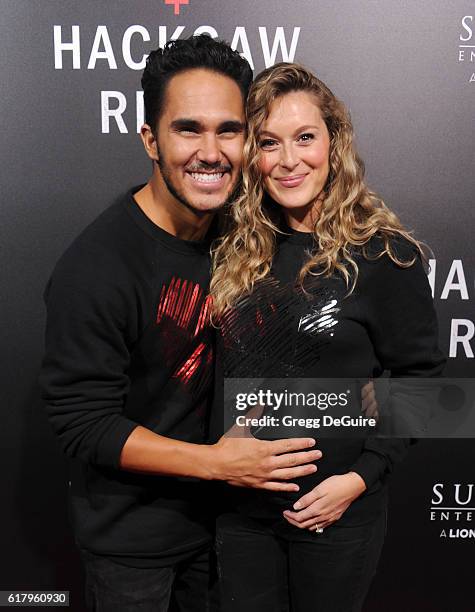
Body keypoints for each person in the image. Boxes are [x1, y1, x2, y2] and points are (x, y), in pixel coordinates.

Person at [40, 39, 322, 612]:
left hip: (232, 531)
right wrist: (218, 464)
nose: (211, 152)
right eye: (188, 129)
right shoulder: (98, 266)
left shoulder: (242, 240)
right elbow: (82, 423)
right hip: (134, 548)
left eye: (230, 130)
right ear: (151, 139)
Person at [210, 63, 446, 612]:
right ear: (252, 156)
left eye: (305, 137)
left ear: (334, 144)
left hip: (337, 516)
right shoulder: (232, 249)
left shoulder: (386, 255)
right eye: (270, 142)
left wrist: (359, 480)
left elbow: (425, 383)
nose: (289, 160)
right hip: (239, 515)